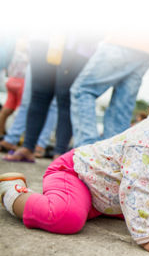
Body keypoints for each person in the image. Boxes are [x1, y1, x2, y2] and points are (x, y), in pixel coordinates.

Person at [0, 54, 149, 256]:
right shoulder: (147, 141)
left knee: (138, 209)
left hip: (102, 195)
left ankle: (91, 207)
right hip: (75, 174)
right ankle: (13, 193)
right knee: (66, 216)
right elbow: (136, 188)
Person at [3, 34, 95, 162]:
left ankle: (60, 153)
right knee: (38, 95)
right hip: (43, 38)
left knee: (65, 97)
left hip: (75, 43)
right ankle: (28, 147)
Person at [70, 31, 149, 147]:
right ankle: (110, 157)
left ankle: (88, 150)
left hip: (121, 41)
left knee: (81, 91)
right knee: (121, 109)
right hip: (148, 50)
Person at [0, 65, 57, 157]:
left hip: (58, 57)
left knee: (51, 105)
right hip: (37, 58)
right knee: (27, 102)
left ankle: (40, 144)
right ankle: (12, 139)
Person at [0, 38, 28, 138]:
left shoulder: (15, 49)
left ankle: (1, 132)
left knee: (7, 107)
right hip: (22, 82)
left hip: (11, 80)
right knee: (21, 109)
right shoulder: (27, 52)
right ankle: (15, 137)